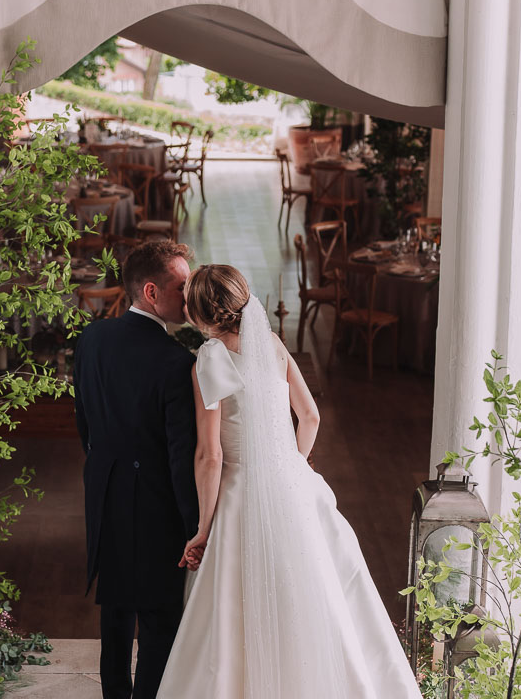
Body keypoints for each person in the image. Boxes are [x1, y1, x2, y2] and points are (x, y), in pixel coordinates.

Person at [157, 264, 423, 699]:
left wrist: (203, 528)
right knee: (315, 592)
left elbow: (210, 455)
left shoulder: (209, 359)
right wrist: (289, 465)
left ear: (202, 313)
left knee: (237, 607)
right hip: (294, 485)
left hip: (241, 492)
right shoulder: (274, 347)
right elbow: (311, 417)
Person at [73, 240, 199, 699]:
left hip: (104, 493)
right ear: (151, 291)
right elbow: (180, 454)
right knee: (160, 624)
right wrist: (194, 526)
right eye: (182, 287)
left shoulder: (91, 339)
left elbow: (84, 421)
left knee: (116, 615)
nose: (190, 296)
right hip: (156, 508)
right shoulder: (176, 362)